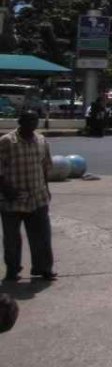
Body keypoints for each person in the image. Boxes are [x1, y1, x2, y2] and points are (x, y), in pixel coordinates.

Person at [0, 110, 56, 282]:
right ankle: (12, 269)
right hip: (12, 199)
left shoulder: (41, 140)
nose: (32, 123)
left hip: (37, 197)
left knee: (42, 236)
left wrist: (46, 189)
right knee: (12, 239)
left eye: (34, 120)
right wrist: (6, 190)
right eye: (28, 119)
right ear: (20, 121)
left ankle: (44, 268)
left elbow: (45, 167)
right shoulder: (7, 141)